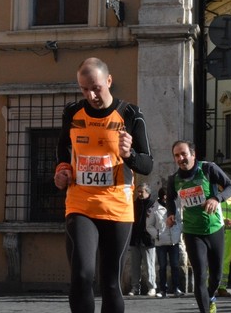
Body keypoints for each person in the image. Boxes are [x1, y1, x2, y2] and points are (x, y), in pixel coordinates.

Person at [54, 57, 153, 313]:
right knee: (83, 275)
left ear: (108, 81)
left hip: (117, 207)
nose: (91, 94)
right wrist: (62, 172)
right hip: (80, 203)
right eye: (84, 89)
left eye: (96, 87)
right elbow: (63, 151)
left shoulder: (130, 114)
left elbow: (147, 164)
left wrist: (129, 154)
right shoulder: (72, 112)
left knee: (110, 283)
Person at [166, 140, 231, 313]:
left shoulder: (208, 169)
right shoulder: (173, 179)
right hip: (192, 232)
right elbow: (170, 199)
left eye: (183, 154)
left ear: (193, 154)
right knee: (200, 276)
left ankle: (211, 296)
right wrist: (171, 214)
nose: (180, 158)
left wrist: (216, 198)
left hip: (214, 229)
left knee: (216, 276)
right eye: (177, 155)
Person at [146, 186, 184, 298]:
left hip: (174, 241)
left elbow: (180, 221)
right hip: (161, 242)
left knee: (175, 265)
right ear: (163, 196)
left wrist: (178, 232)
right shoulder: (153, 209)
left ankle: (176, 288)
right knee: (162, 266)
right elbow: (149, 226)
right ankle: (163, 289)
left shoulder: (175, 206)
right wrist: (157, 235)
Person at [128, 183, 157, 297]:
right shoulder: (134, 204)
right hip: (135, 238)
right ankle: (135, 287)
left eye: (142, 192)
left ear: (148, 193)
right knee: (134, 265)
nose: (139, 194)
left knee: (149, 265)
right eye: (138, 191)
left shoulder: (153, 205)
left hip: (148, 239)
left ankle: (152, 287)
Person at [216, 194, 231, 297]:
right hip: (214, 231)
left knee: (225, 262)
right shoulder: (210, 195)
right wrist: (222, 220)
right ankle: (209, 287)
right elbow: (207, 212)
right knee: (211, 260)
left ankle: (222, 287)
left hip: (228, 233)